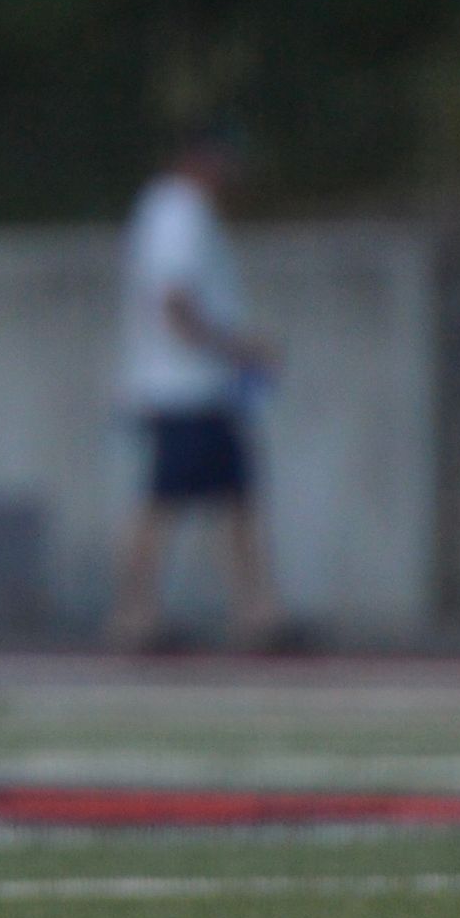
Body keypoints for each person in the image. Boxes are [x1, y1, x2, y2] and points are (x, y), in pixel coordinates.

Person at [108, 124, 287, 653]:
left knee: (236, 498)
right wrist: (233, 348)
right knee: (163, 503)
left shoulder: (176, 210)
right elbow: (175, 300)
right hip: (182, 387)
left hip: (200, 387)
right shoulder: (178, 212)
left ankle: (256, 614)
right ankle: (134, 616)